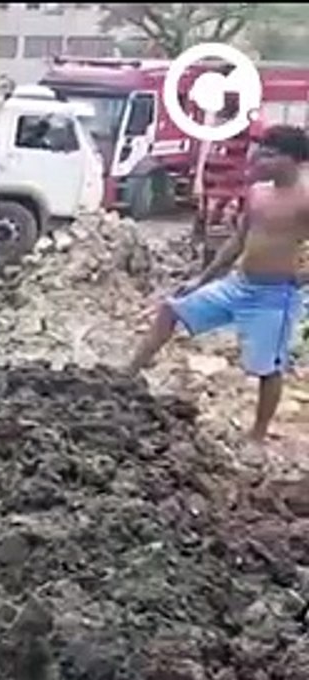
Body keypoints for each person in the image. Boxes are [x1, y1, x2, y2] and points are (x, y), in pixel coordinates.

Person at [127, 124, 309, 442]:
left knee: (268, 368)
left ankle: (257, 435)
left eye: (270, 155)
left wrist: (303, 277)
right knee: (170, 311)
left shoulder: (304, 199)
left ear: (294, 160)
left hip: (275, 296)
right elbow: (239, 240)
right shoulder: (258, 193)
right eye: (261, 153)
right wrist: (202, 278)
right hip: (238, 284)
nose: (261, 160)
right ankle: (125, 379)